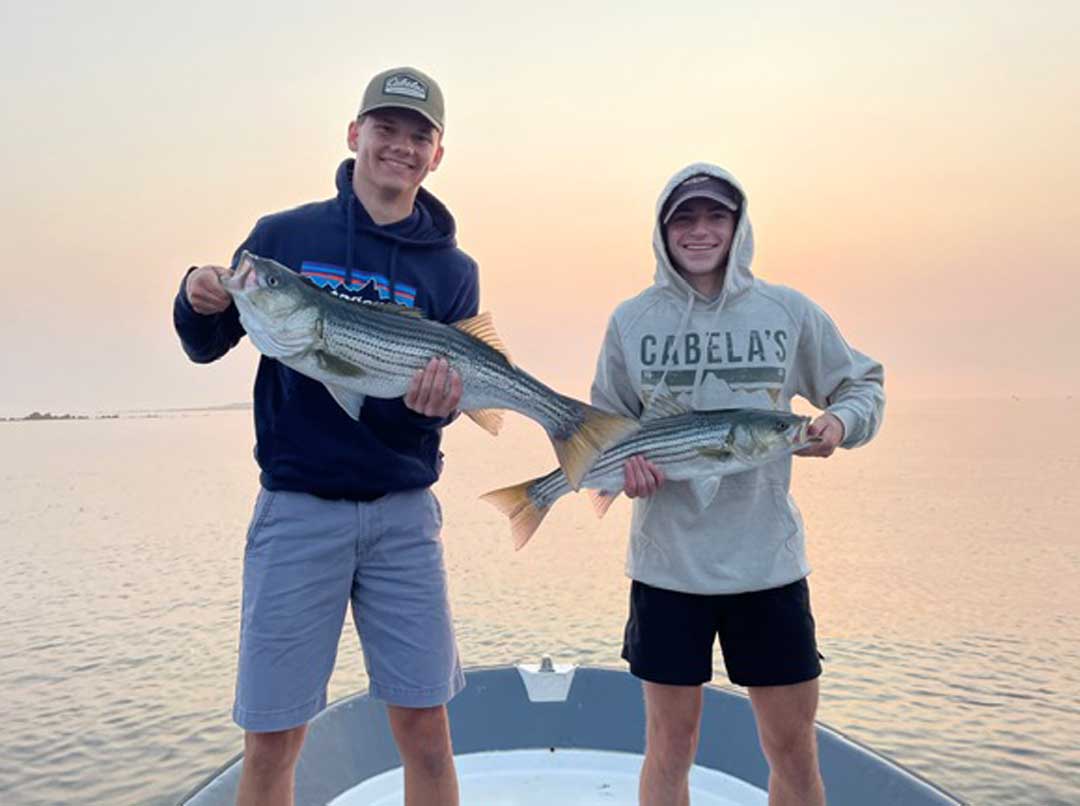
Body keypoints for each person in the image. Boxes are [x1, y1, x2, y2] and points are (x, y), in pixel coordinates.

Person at [173, 67, 475, 806]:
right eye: (385, 128)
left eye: (418, 136)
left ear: (437, 155)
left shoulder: (453, 270)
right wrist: (194, 296)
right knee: (272, 740)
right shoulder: (282, 239)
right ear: (353, 134)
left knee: (427, 733)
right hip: (297, 511)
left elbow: (426, 418)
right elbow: (207, 343)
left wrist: (428, 409)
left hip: (403, 519)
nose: (400, 146)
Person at [590, 163, 885, 806]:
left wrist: (838, 423)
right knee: (669, 746)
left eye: (715, 216)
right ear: (662, 229)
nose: (700, 231)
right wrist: (626, 473)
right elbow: (605, 428)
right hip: (668, 571)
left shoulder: (787, 311)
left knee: (792, 748)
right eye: (684, 218)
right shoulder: (631, 320)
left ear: (738, 224)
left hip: (767, 567)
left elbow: (863, 384)